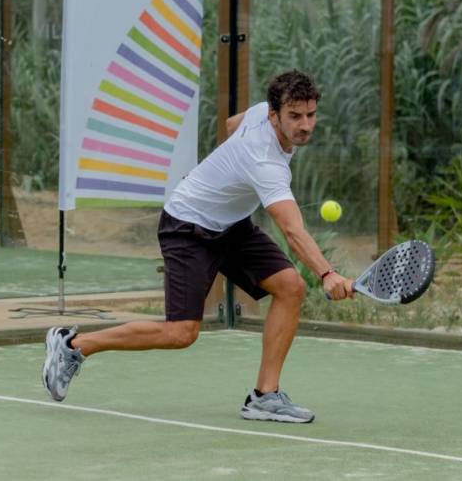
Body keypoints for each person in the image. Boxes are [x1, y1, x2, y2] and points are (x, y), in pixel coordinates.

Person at [42, 69, 354, 423]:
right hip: (187, 225)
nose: (305, 125)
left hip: (230, 224)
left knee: (290, 287)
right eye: (295, 116)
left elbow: (230, 123)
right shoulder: (265, 161)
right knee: (181, 333)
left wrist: (226, 176)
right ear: (274, 115)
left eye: (311, 114)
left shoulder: (258, 114)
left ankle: (265, 396)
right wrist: (327, 273)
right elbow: (292, 229)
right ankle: (72, 347)